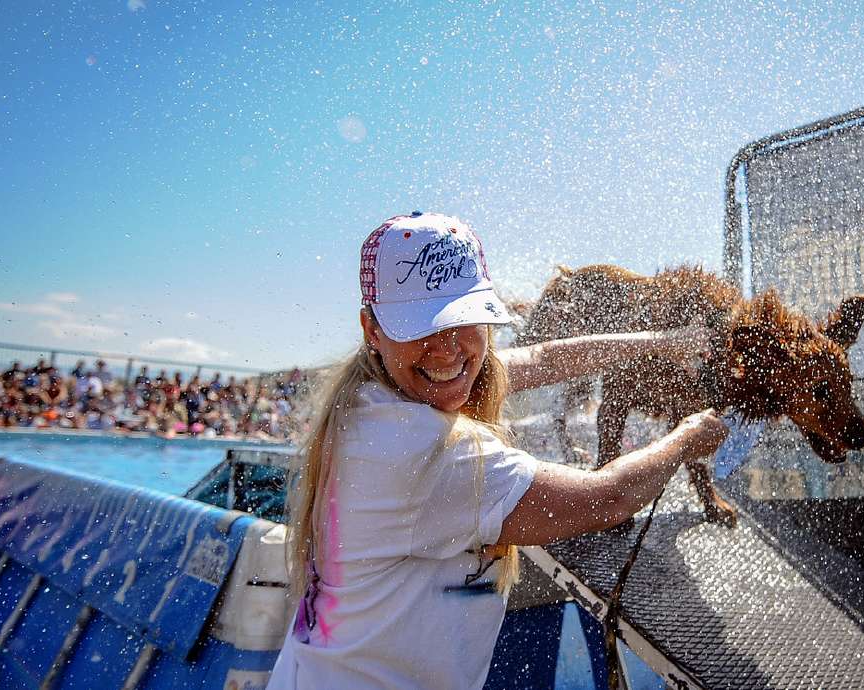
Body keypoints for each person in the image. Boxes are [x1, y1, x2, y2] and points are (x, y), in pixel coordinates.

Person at [267, 213, 728, 690]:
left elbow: (543, 360)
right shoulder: (423, 454)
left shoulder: (369, 397)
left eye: (464, 321)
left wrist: (661, 343)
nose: (447, 350)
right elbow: (609, 498)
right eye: (419, 326)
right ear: (373, 329)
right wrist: (686, 439)